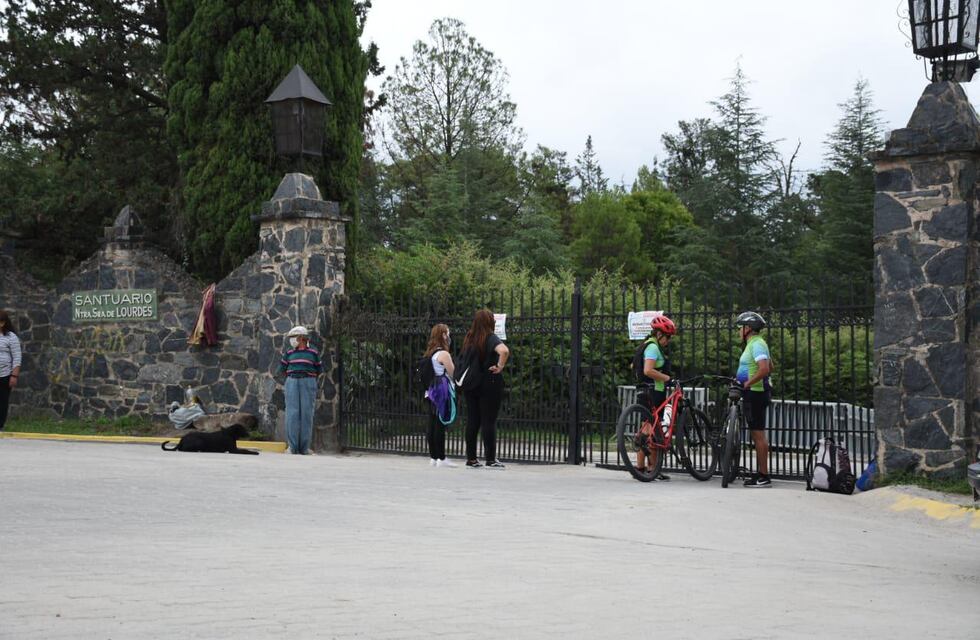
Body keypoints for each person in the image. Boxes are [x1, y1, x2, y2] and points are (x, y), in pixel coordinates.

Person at [460, 309, 509, 469]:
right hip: (489, 383)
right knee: (489, 421)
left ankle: (471, 458)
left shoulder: (470, 337)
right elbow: (504, 351)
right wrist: (500, 366)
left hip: (471, 384)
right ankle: (490, 458)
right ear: (490, 322)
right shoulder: (489, 337)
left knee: (473, 420)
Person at [735, 311, 773, 488]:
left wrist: (748, 382)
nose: (738, 331)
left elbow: (764, 369)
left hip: (755, 393)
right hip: (755, 392)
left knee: (758, 435)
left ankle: (763, 475)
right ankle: (762, 473)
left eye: (740, 327)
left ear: (748, 328)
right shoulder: (756, 344)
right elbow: (770, 365)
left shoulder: (756, 344)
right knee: (758, 434)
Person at [637, 314, 676, 481]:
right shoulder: (653, 347)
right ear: (659, 334)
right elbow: (648, 370)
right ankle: (653, 468)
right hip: (654, 392)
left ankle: (640, 468)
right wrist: (668, 379)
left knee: (646, 429)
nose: (668, 341)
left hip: (644, 390)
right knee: (652, 431)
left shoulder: (646, 345)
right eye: (667, 337)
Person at [278, 325, 322, 455]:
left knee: (307, 414)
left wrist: (308, 379)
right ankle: (292, 447)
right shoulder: (289, 353)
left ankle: (304, 448)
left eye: (294, 337)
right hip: (292, 381)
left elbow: (319, 369)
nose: (292, 340)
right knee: (292, 414)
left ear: (302, 338)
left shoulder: (313, 353)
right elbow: (282, 369)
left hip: (308, 381)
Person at [423, 324, 456, 468]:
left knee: (432, 423)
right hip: (441, 390)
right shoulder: (443, 354)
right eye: (448, 333)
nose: (449, 336)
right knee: (440, 423)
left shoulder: (430, 352)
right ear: (443, 335)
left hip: (431, 390)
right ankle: (441, 458)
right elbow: (452, 372)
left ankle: (433, 457)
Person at [0, 310, 21, 431]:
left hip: (5, 375)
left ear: (2, 323)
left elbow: (17, 357)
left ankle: (0, 425)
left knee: (2, 401)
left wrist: (14, 376)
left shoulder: (11, 337)